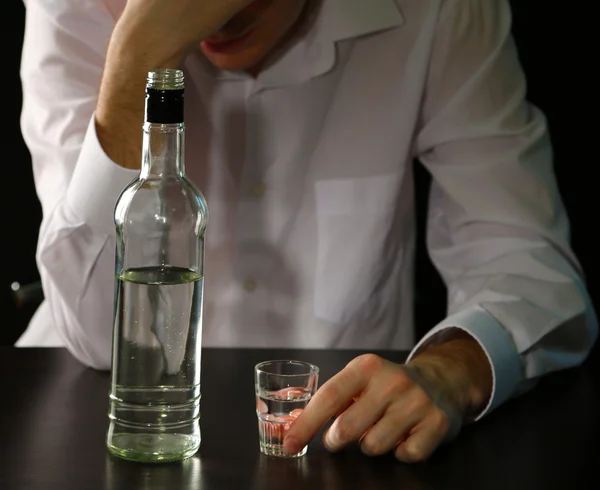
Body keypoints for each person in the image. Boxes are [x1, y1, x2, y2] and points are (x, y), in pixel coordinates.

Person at [18, 0, 597, 462]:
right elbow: (96, 336)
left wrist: (452, 370)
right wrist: (134, 59)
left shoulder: (440, 9)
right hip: (82, 428)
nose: (215, 15)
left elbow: (524, 261)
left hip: (337, 451)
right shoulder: (74, 8)